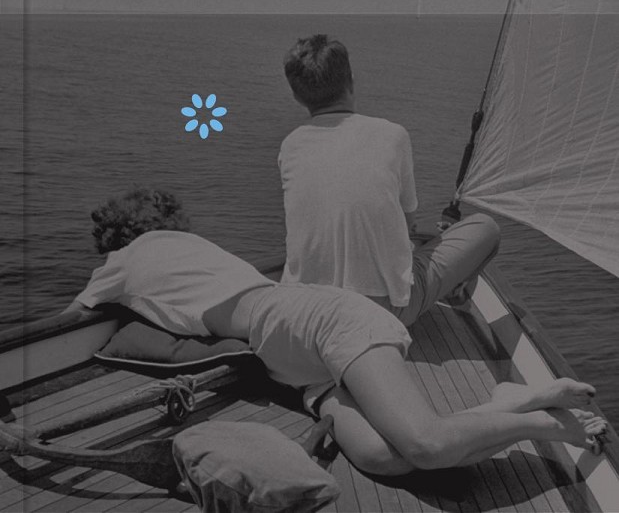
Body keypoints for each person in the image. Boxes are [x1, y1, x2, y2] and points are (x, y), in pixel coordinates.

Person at [65, 187, 606, 474]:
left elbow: (73, 317)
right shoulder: (190, 245)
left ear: (116, 239)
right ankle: (514, 401)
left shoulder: (124, 260)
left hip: (315, 323)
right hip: (294, 364)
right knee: (382, 458)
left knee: (424, 443)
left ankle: (539, 425)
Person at [279, 35, 500, 323]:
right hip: (381, 313)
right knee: (485, 227)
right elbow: (407, 225)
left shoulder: (290, 146)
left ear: (296, 96)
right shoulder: (392, 135)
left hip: (305, 309)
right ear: (351, 81)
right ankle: (455, 294)